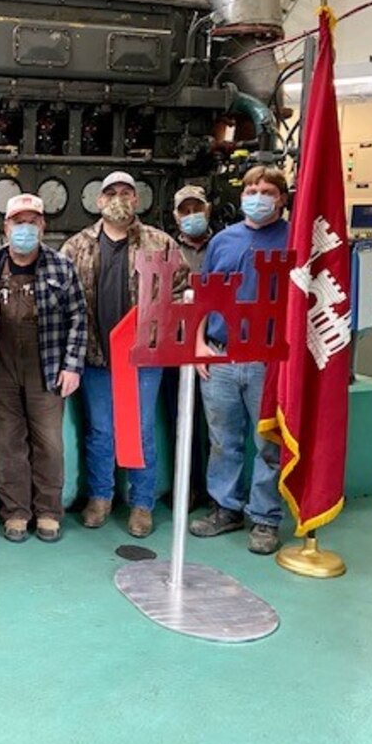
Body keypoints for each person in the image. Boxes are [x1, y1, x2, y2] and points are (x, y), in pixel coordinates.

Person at [61, 171, 187, 538]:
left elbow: (181, 292)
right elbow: (64, 298)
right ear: (98, 201)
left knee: (142, 431)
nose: (118, 198)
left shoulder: (160, 243)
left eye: (126, 192)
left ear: (137, 199)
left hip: (142, 359)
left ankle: (141, 503)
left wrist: (160, 330)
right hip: (96, 358)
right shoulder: (77, 246)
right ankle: (100, 497)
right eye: (110, 192)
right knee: (100, 431)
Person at [189, 165, 290, 555]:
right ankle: (226, 509)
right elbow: (205, 296)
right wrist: (199, 343)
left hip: (268, 359)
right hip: (221, 357)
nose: (258, 196)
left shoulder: (293, 239)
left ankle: (265, 518)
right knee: (223, 440)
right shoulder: (223, 242)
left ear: (281, 198)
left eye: (267, 190)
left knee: (269, 443)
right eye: (251, 189)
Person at [0, 193, 86, 543]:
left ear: (43, 226)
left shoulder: (61, 266)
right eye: (18, 222)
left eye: (32, 222)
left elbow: (78, 317)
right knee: (6, 441)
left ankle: (47, 511)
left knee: (49, 443)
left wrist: (72, 366)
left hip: (47, 365)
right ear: (6, 226)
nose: (25, 229)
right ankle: (15, 512)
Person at [161, 184, 213, 506]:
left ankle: (216, 493)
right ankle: (188, 488)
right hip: (176, 345)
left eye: (197, 209)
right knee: (180, 420)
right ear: (176, 216)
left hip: (213, 348)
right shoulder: (167, 249)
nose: (192, 216)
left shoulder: (222, 245)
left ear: (207, 210)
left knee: (217, 425)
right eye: (185, 210)